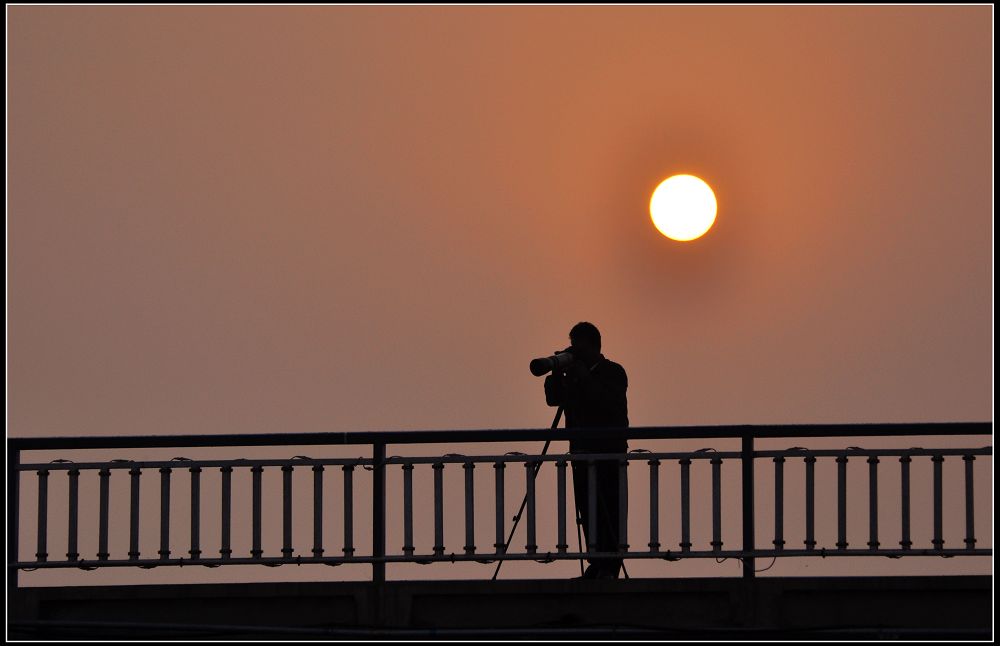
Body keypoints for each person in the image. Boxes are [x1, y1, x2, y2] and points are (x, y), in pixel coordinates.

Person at [543, 321, 628, 579]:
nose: (575, 352)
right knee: (586, 509)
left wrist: (584, 374)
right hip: (581, 455)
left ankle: (610, 565)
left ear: (592, 345)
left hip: (608, 455)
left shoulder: (613, 371)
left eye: (578, 346)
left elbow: (604, 402)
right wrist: (557, 371)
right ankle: (595, 563)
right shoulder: (574, 378)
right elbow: (553, 399)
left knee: (609, 511)